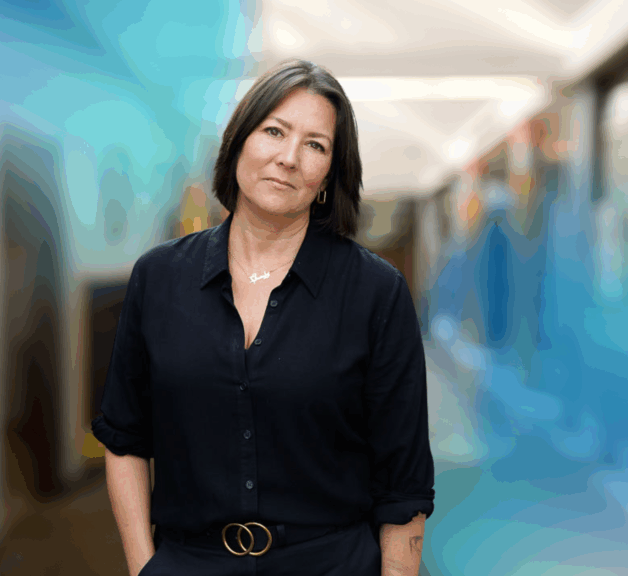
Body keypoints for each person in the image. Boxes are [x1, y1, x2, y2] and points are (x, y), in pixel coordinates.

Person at [92, 59, 435, 576]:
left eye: (315, 145)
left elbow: (403, 489)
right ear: (239, 144)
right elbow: (124, 440)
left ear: (328, 177)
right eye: (274, 131)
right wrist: (145, 568)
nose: (289, 158)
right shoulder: (158, 279)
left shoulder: (376, 293)